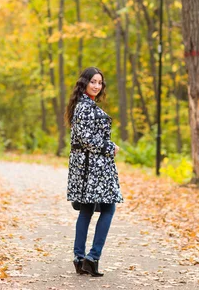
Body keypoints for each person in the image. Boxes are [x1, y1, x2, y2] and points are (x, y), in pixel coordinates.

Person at [65, 67, 123, 277]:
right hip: (93, 168)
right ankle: (92, 257)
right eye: (93, 82)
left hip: (90, 167)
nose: (97, 86)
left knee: (87, 211)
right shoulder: (85, 107)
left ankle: (80, 258)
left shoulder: (83, 105)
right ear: (84, 82)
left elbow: (85, 138)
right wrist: (111, 147)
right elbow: (86, 139)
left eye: (100, 82)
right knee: (109, 208)